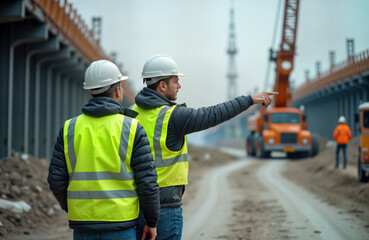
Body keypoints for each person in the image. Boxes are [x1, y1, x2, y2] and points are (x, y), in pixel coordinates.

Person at [132, 54, 278, 239]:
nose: (179, 86)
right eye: (176, 81)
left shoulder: (130, 113)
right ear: (162, 85)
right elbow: (213, 114)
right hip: (164, 210)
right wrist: (249, 100)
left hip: (134, 208)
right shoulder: (173, 116)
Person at [47, 60, 160, 240]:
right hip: (121, 224)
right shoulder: (131, 128)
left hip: (83, 226)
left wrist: (74, 208)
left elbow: (55, 179)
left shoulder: (70, 128)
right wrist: (152, 221)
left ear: (91, 91)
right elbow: (147, 181)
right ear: (117, 91)